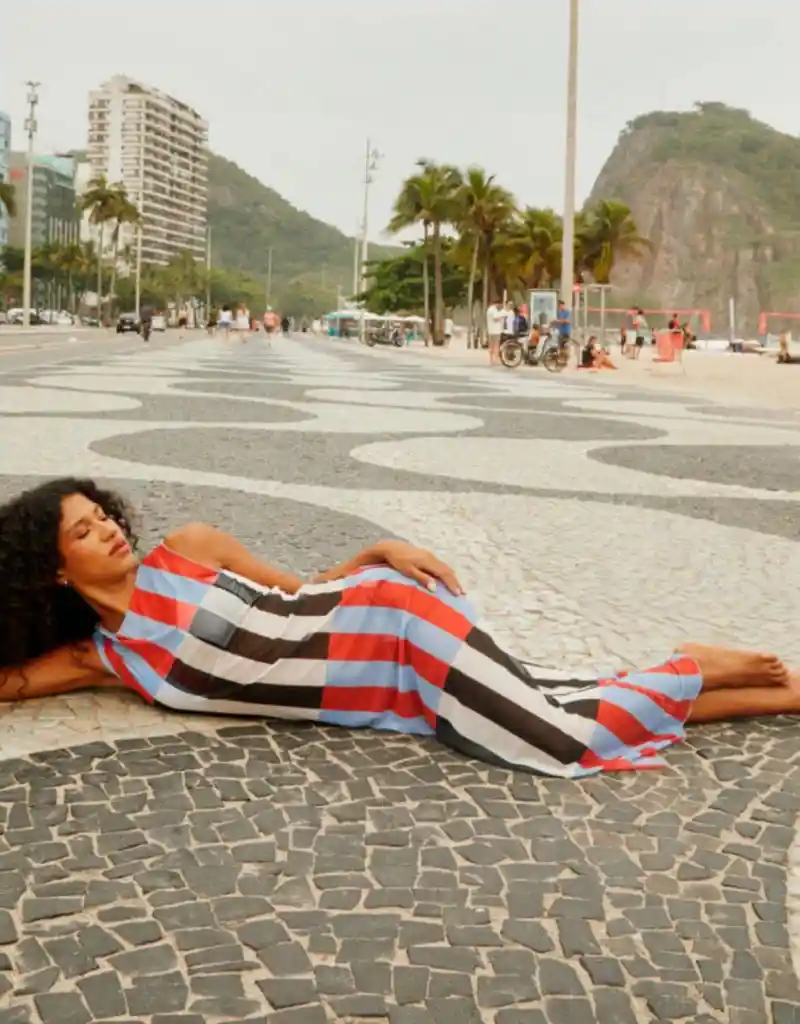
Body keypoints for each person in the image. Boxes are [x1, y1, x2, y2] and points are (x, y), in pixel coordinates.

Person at [1, 478, 798, 778]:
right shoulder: (105, 656)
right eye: (83, 531)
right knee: (568, 702)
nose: (108, 530)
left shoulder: (189, 550)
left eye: (103, 515)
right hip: (388, 693)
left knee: (558, 740)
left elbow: (304, 593)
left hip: (391, 624)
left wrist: (378, 552)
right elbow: (9, 684)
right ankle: (786, 695)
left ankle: (689, 663)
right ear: (55, 572)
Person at [486, 301, 505, 365]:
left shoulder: (489, 310)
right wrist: (502, 317)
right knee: (496, 345)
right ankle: (495, 360)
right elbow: (495, 318)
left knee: (491, 345)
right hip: (496, 330)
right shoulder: (494, 310)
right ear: (497, 304)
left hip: (490, 330)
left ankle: (491, 359)